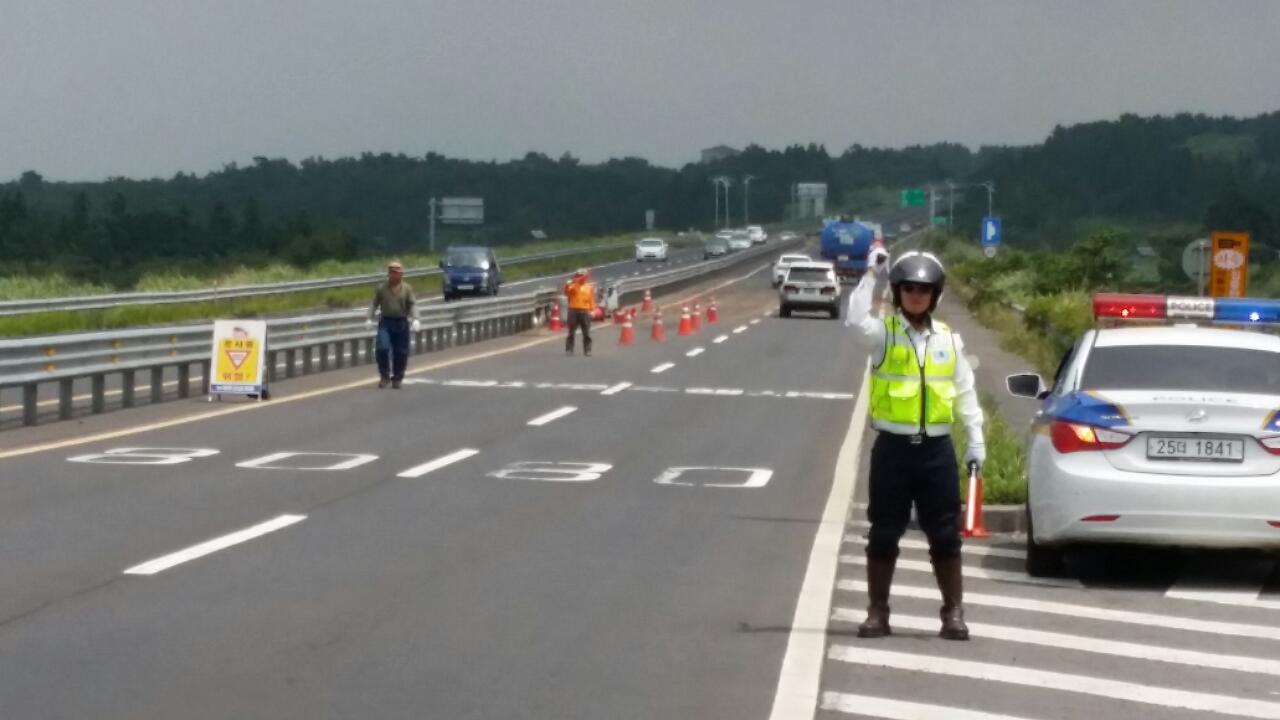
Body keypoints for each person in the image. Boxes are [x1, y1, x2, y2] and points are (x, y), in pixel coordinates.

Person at [844, 248, 984, 641]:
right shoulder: (882, 334)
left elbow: (965, 392)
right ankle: (877, 613)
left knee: (944, 534)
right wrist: (871, 273)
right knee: (884, 532)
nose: (916, 295)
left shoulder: (949, 341)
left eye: (924, 289)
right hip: (892, 451)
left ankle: (953, 613)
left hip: (936, 453)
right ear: (899, 292)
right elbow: (855, 318)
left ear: (935, 294)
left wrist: (977, 441)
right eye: (908, 288)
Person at [367, 260, 421, 388]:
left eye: (396, 273)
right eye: (391, 272)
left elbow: (412, 304)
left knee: (401, 352)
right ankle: (384, 376)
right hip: (386, 322)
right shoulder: (382, 288)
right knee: (382, 348)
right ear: (388, 274)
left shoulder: (407, 288)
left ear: (401, 274)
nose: (394, 275)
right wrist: (369, 317)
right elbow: (374, 303)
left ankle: (397, 377)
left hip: (401, 323)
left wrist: (416, 318)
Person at [563, 268, 596, 356]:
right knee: (571, 332)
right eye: (579, 275)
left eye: (582, 276)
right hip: (573, 310)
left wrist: (592, 310)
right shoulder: (573, 286)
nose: (580, 277)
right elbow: (566, 293)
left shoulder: (589, 287)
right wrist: (567, 284)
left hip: (585, 311)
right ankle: (569, 350)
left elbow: (591, 299)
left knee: (587, 333)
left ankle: (587, 350)